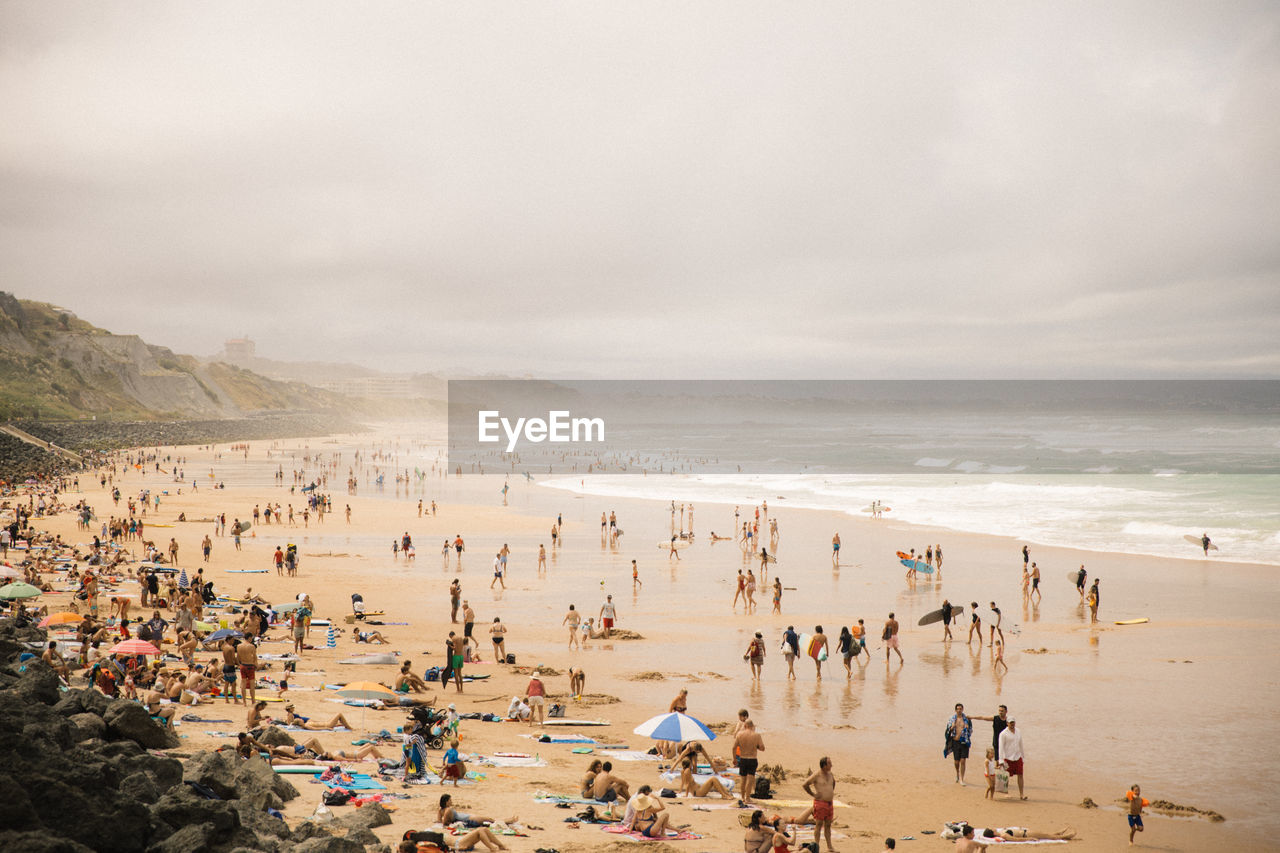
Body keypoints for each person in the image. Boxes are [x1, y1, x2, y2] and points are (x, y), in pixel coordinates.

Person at [802, 756, 838, 852]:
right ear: (824, 765)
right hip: (820, 803)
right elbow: (805, 784)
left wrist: (830, 793)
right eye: (829, 763)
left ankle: (829, 846)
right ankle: (816, 845)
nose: (831, 765)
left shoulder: (830, 774)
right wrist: (813, 794)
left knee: (828, 825)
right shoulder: (817, 775)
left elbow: (833, 783)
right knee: (819, 824)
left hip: (829, 803)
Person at [438, 792, 517, 829]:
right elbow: (444, 822)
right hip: (468, 819)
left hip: (466, 817)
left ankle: (509, 820)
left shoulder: (440, 810)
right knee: (491, 820)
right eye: (450, 800)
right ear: (446, 802)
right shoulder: (448, 810)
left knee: (490, 820)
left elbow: (439, 821)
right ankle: (510, 820)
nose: (451, 802)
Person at [734, 719, 764, 804]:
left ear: (745, 726)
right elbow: (762, 748)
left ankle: (742, 797)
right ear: (752, 726)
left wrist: (734, 758)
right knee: (750, 779)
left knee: (742, 779)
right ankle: (748, 798)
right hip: (752, 759)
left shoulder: (739, 734)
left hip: (743, 758)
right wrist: (756, 746)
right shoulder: (757, 735)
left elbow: (734, 747)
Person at [998, 718, 1026, 799]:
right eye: (1010, 723)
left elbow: (1021, 744)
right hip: (1007, 757)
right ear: (1007, 723)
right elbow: (1001, 747)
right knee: (1006, 776)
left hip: (1018, 756)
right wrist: (1001, 759)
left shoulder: (1018, 731)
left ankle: (1021, 794)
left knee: (1020, 775)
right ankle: (1006, 793)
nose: (1012, 724)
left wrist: (1023, 757)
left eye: (1013, 722)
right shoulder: (1003, 734)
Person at [946, 703, 973, 785]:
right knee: (956, 761)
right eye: (957, 709)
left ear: (962, 709)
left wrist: (968, 728)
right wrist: (952, 727)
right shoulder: (952, 719)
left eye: (960, 708)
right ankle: (957, 773)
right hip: (955, 741)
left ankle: (962, 779)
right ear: (955, 710)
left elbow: (971, 731)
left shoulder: (967, 719)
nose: (959, 710)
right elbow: (947, 731)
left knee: (963, 760)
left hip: (964, 742)